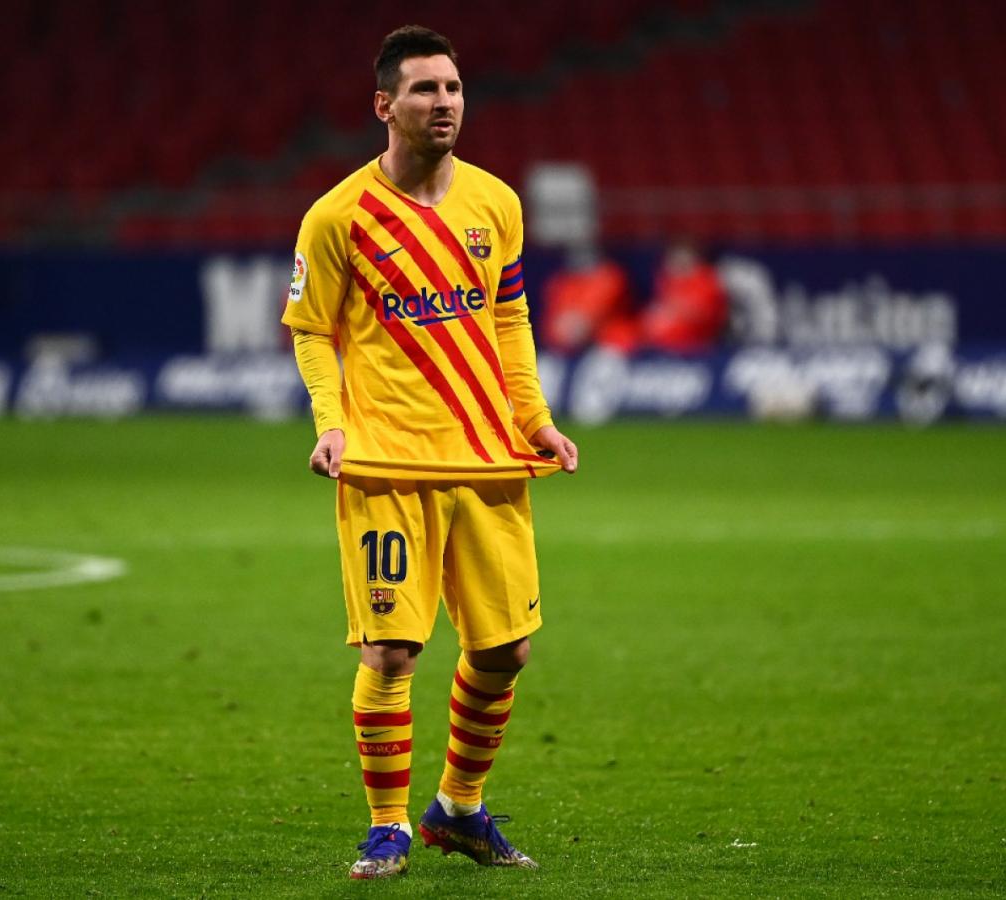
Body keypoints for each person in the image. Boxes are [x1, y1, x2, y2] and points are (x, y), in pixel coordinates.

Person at [282, 25, 579, 880]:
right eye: (424, 90)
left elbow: (511, 321)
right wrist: (329, 422)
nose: (444, 102)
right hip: (384, 464)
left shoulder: (496, 203)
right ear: (384, 105)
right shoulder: (337, 216)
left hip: (488, 462)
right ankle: (387, 827)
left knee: (504, 652)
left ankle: (456, 807)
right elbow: (310, 329)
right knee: (391, 652)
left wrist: (536, 420)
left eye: (452, 88)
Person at [639, 238, 728, 354]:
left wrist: (673, 311)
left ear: (694, 258)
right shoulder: (668, 281)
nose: (676, 262)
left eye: (681, 256)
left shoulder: (707, 281)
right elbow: (653, 317)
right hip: (662, 348)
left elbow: (704, 316)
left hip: (698, 347)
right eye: (672, 258)